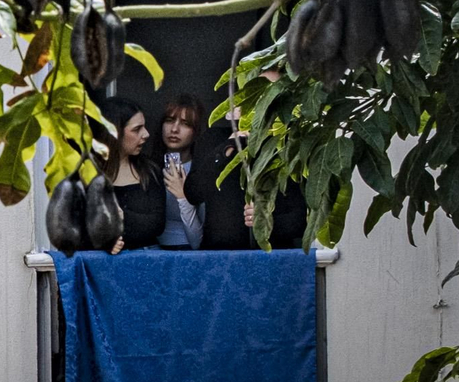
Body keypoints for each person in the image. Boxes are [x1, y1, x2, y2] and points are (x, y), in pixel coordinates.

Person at [186, 73, 308, 250]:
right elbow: (193, 193)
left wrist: (267, 222)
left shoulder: (289, 145)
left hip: (273, 258)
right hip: (220, 257)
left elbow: (302, 218)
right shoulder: (214, 138)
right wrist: (227, 148)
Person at [102, 99, 166, 253]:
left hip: (147, 260)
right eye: (137, 129)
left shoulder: (149, 170)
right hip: (103, 267)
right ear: (115, 132)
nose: (146, 134)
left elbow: (157, 224)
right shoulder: (89, 174)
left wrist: (124, 216)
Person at [154, 94, 207, 250]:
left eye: (185, 124)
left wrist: (182, 197)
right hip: (149, 254)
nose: (175, 129)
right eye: (169, 121)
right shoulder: (148, 168)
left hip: (186, 252)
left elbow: (198, 242)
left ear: (196, 131)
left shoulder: (201, 172)